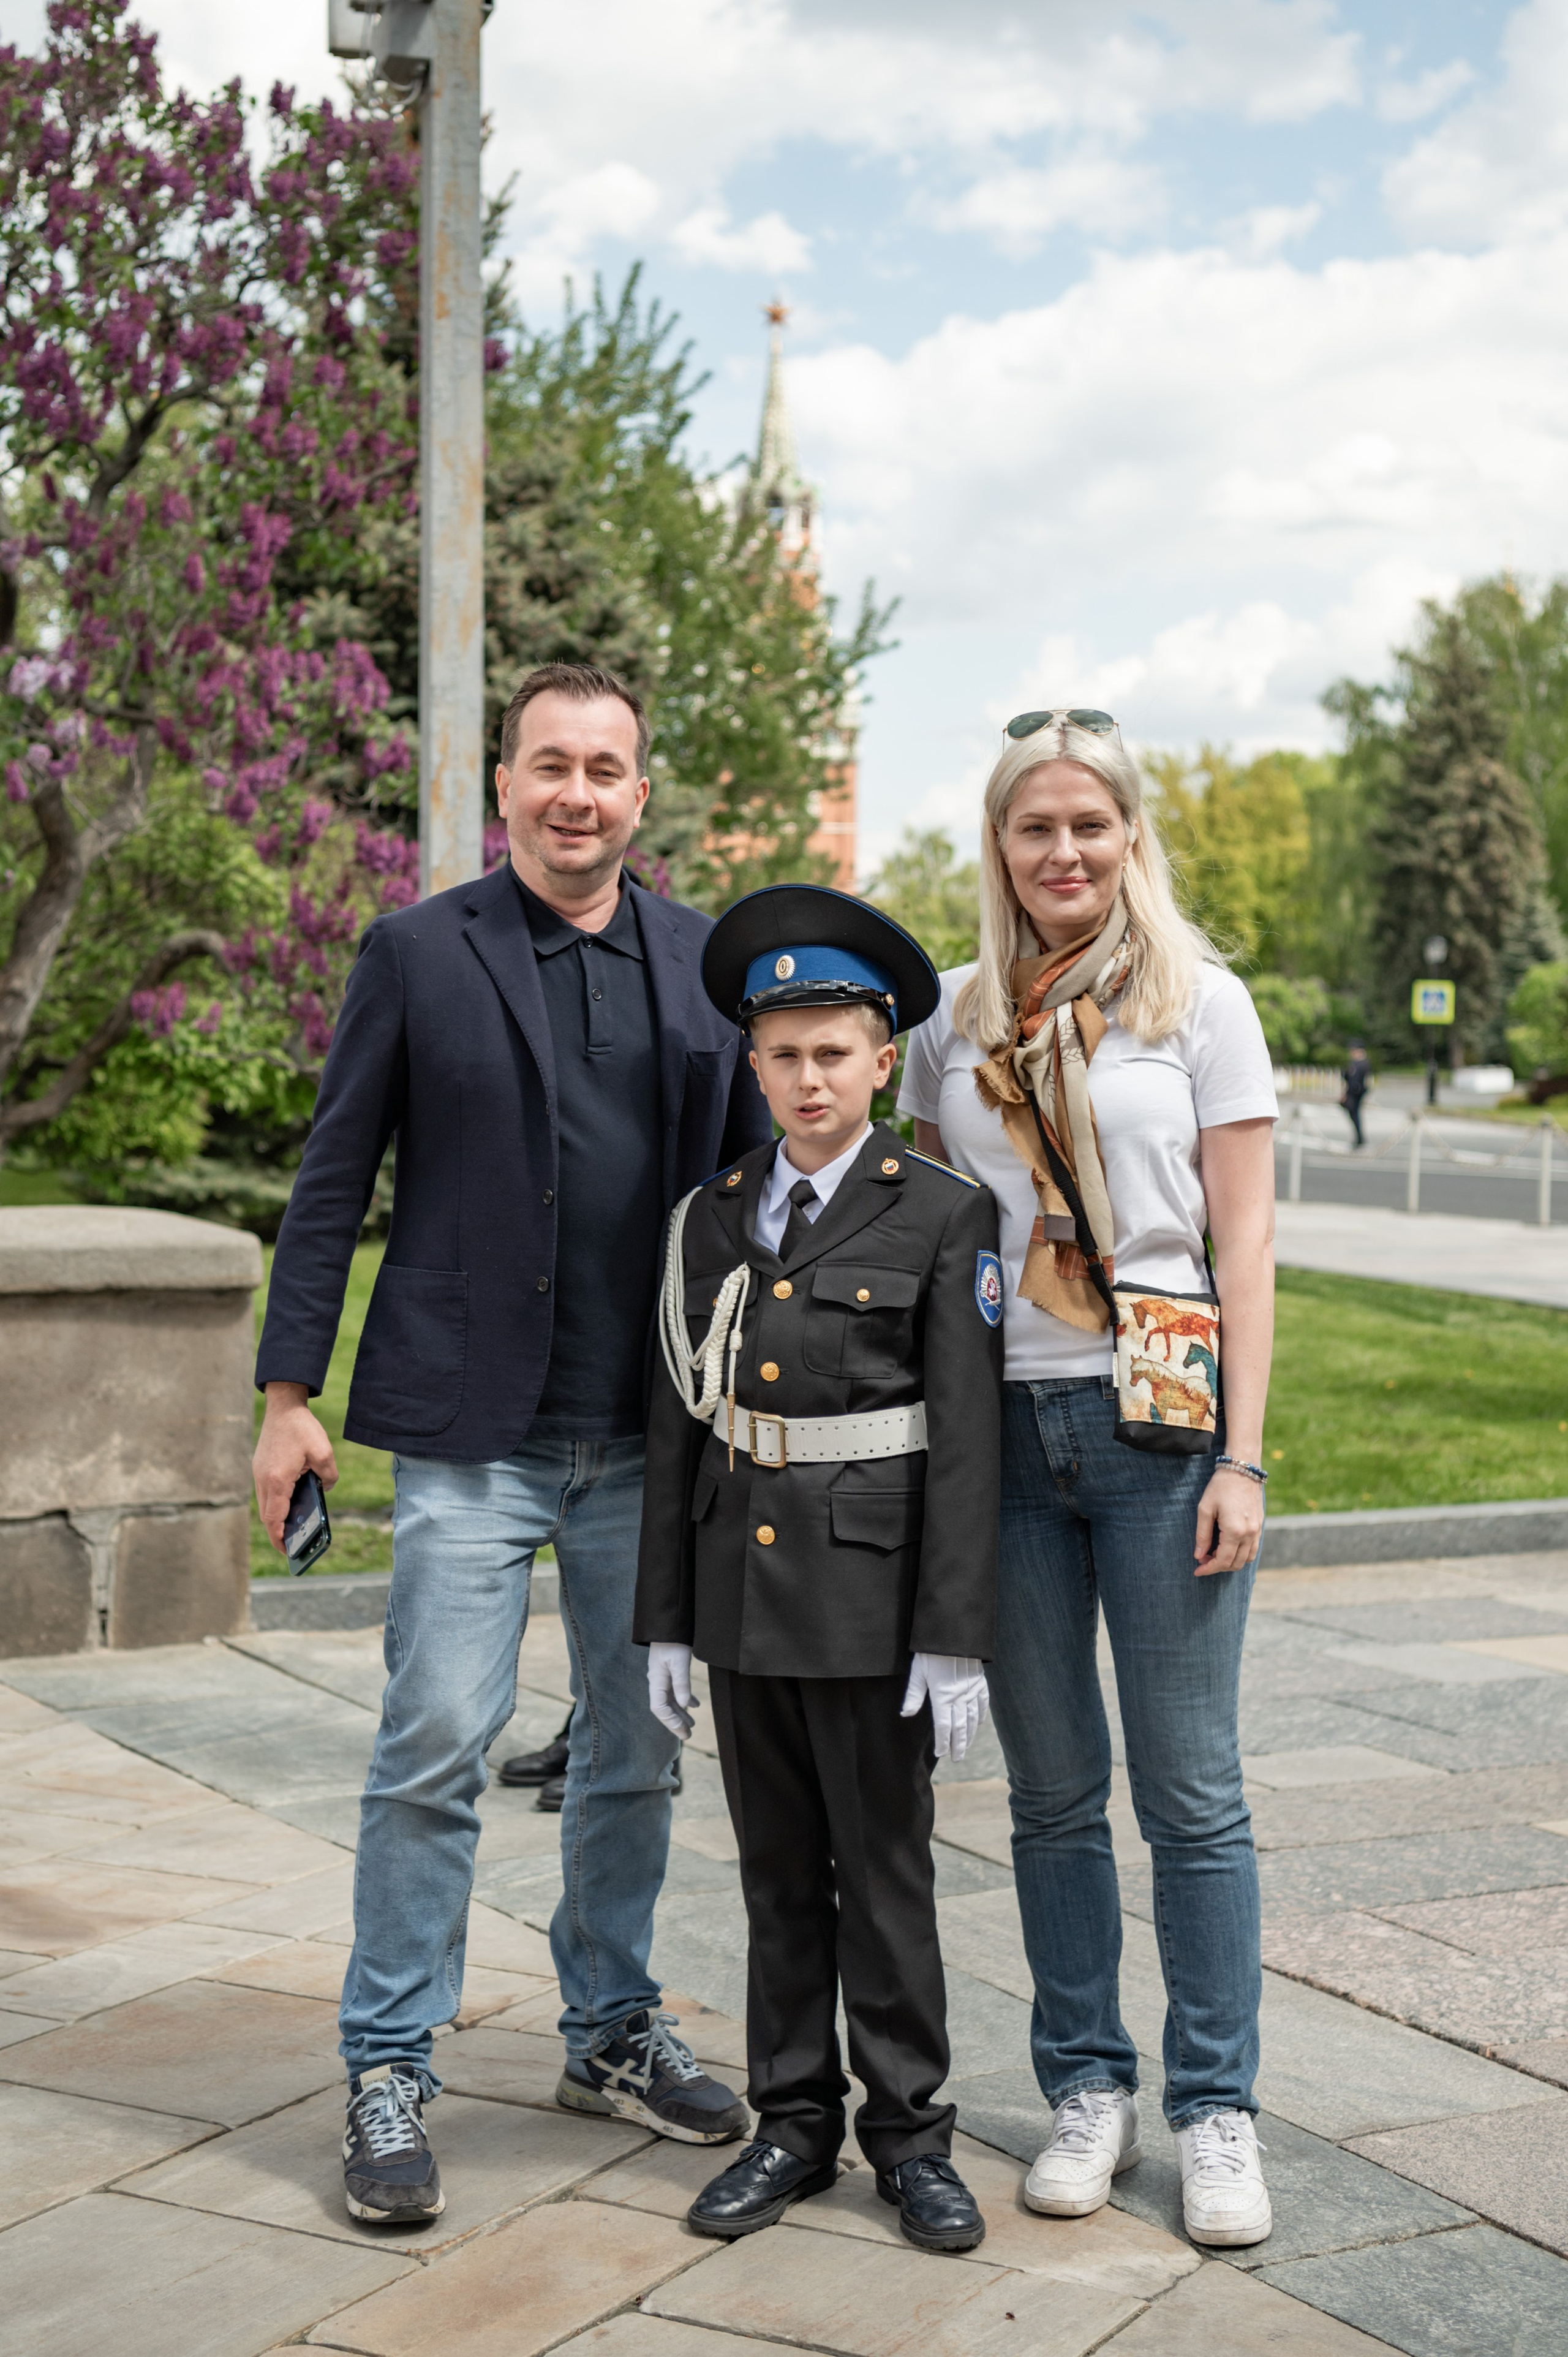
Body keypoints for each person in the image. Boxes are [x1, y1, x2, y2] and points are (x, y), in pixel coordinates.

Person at [252, 661, 770, 2226]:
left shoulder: (704, 963)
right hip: (471, 1428)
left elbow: (759, 1195)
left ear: (638, 792)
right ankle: (388, 2059)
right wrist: (288, 1393)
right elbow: (333, 1176)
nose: (576, 793)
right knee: (432, 1743)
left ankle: (607, 2025)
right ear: (505, 784)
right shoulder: (418, 951)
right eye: (550, 763)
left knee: (635, 1753)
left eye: (605, 768)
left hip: (651, 1436)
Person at [898, 708, 1278, 2251]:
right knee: (1052, 1795)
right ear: (998, 843)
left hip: (1162, 1432)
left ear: (1131, 837)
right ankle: (1084, 2083)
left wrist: (1243, 1454)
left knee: (1189, 1793)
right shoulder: (946, 1023)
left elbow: (1242, 1240)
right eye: (1033, 827)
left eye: (1090, 826)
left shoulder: (1198, 1006)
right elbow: (928, 1238)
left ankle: (1212, 2109)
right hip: (1001, 1437)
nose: (1062, 852)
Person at [635, 885, 1004, 2255]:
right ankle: (793, 2123)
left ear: (877, 1061)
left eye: (833, 1052)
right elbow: (678, 1421)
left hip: (871, 1601)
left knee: (884, 1876)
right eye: (783, 1053)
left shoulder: (940, 1215)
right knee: (776, 1878)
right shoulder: (711, 1216)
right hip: (740, 1597)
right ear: (752, 1062)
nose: (807, 1078)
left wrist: (952, 1631)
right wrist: (664, 1621)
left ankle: (910, 2137)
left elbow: (965, 1439)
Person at [1341, 1042, 1371, 1147]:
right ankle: (1359, 1137)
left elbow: (1357, 1080)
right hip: (1353, 1092)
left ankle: (1359, 1138)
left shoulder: (1361, 1064)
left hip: (1356, 1093)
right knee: (1354, 1114)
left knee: (1355, 1114)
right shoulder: (1357, 1064)